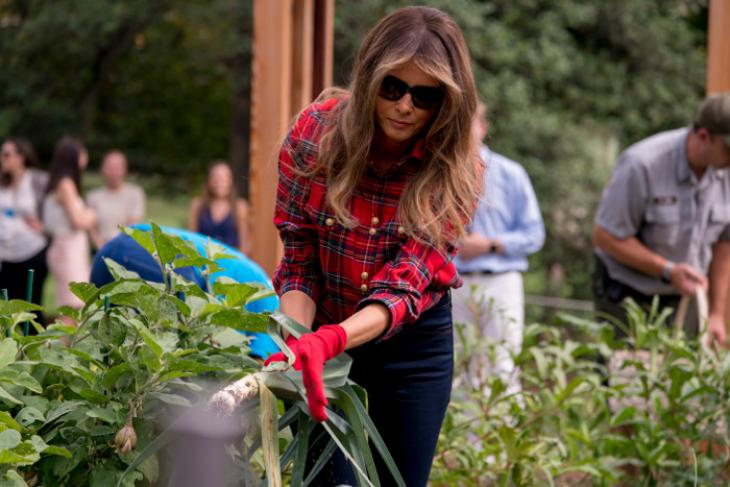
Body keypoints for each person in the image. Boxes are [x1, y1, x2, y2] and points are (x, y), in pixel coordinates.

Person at [263, 6, 481, 485]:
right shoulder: (312, 137)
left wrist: (334, 338)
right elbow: (299, 260)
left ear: (446, 102)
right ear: (369, 79)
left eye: (424, 96)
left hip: (411, 350)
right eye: (393, 87)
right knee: (322, 478)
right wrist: (299, 345)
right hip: (324, 334)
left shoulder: (456, 171)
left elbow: (404, 287)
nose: (405, 107)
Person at [593, 92, 730, 345]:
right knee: (626, 379)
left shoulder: (725, 170)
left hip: (684, 299)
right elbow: (606, 236)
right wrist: (667, 270)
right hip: (628, 296)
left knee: (681, 379)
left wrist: (717, 314)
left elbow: (724, 244)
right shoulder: (642, 164)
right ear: (703, 136)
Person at [452, 101, 545, 399]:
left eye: (471, 123)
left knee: (503, 366)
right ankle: (459, 445)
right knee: (458, 367)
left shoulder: (511, 174)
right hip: (455, 285)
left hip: (501, 280)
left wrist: (490, 244)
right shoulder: (440, 172)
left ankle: (500, 444)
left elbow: (534, 234)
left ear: (483, 127)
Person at [89, 224, 279, 359]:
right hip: (144, 255)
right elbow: (256, 369)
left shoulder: (257, 278)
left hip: (114, 253)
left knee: (120, 352)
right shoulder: (272, 306)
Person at [43, 136, 96, 315]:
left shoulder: (59, 183)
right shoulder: (66, 184)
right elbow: (78, 221)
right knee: (72, 307)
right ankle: (60, 343)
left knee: (74, 305)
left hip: (66, 248)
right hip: (68, 249)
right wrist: (92, 215)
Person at [0, 138, 49, 316]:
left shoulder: (39, 180)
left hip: (32, 251)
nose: (2, 158)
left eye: (7, 154)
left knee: (31, 306)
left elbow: (55, 210)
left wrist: (46, 228)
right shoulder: (2, 181)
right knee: (6, 308)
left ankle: (37, 343)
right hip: (4, 254)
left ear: (22, 157)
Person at [188, 161, 250, 255]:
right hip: (203, 262)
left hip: (230, 262)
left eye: (224, 177)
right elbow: (190, 240)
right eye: (215, 177)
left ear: (231, 181)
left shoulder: (240, 206)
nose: (219, 182)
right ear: (209, 180)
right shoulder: (198, 205)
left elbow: (244, 245)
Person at [88, 150, 145, 250]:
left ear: (125, 170)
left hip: (125, 248)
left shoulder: (135, 193)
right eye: (110, 167)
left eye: (117, 168)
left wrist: (115, 247)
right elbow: (91, 228)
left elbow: (133, 224)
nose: (114, 172)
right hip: (99, 250)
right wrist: (101, 247)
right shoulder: (93, 196)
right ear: (102, 169)